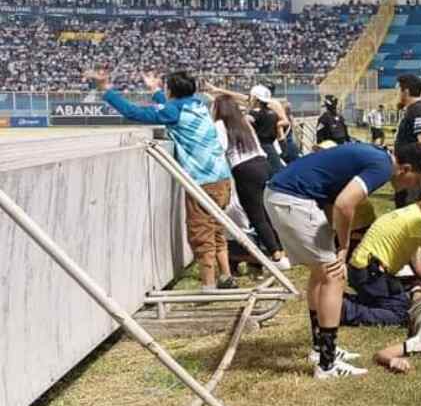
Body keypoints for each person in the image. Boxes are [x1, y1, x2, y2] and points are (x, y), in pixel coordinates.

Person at [265, 142, 421, 378]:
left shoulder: (377, 157)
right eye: (419, 180)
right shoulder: (382, 166)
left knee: (321, 274)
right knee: (334, 276)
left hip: (283, 195)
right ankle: (326, 366)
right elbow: (344, 204)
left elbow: (330, 197)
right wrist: (343, 247)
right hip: (292, 199)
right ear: (406, 168)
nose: (418, 187)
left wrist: (332, 241)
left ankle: (322, 350)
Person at [91, 69, 236, 291]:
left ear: (172, 90)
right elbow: (169, 108)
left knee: (201, 233)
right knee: (216, 228)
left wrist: (107, 90)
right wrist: (156, 90)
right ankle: (226, 276)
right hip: (223, 178)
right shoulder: (198, 105)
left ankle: (208, 285)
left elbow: (134, 112)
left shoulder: (174, 111)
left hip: (203, 181)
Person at [342, 185, 421, 327]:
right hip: (370, 274)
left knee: (399, 304)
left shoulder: (407, 217)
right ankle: (345, 310)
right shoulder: (417, 221)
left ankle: (341, 300)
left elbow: (419, 268)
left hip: (362, 271)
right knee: (401, 314)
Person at [211, 93, 285, 268]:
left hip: (245, 169)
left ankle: (275, 254)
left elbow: (220, 148)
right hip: (262, 163)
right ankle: (282, 248)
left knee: (255, 214)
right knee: (267, 210)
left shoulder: (220, 125)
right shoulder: (244, 122)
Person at [394, 73, 421, 207]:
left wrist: (416, 172)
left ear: (405, 91)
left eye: (398, 90)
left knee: (415, 211)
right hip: (411, 173)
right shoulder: (415, 109)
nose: (397, 94)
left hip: (415, 174)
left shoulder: (418, 110)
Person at [249, 85, 286, 174]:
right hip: (271, 146)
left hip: (260, 147)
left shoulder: (254, 114)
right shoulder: (273, 113)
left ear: (255, 99)